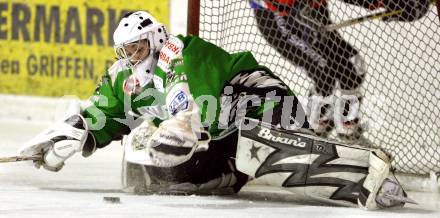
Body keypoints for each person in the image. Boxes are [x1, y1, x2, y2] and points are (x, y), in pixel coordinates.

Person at [19, 11, 413, 209]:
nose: (131, 57)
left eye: (137, 48)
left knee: (222, 122)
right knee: (160, 174)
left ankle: (347, 165)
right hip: (222, 134)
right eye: (126, 52)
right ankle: (233, 168)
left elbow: (192, 103)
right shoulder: (130, 79)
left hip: (268, 106)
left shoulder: (183, 53)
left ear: (155, 38)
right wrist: (69, 133)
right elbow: (101, 110)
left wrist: (177, 127)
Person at [250, 0, 430, 141]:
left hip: (313, 14)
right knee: (323, 71)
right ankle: (312, 131)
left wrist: (387, 2)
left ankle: (347, 130)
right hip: (278, 19)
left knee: (352, 66)